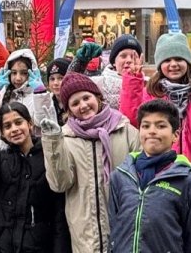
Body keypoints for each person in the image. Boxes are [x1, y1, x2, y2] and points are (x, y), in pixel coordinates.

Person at [39, 72, 139, 253]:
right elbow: (60, 184)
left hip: (125, 226)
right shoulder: (65, 137)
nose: (83, 106)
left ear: (98, 97)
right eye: (75, 103)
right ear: (68, 110)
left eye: (86, 98)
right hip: (85, 233)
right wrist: (53, 141)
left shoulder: (125, 131)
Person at [0, 99, 68, 253]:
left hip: (37, 245)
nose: (14, 129)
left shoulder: (47, 155)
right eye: (7, 126)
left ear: (29, 124)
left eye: (18, 122)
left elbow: (58, 211)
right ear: (2, 132)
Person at [108, 99, 191, 253]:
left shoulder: (189, 182)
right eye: (146, 126)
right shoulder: (120, 176)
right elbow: (114, 226)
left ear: (175, 135)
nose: (152, 131)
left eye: (161, 126)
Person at [120, 33, 191, 163]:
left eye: (179, 59)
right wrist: (132, 81)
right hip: (160, 169)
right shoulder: (151, 94)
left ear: (188, 62)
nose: (173, 64)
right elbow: (133, 121)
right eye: (167, 60)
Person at [0, 49, 54, 142]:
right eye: (14, 73)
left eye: (24, 73)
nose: (18, 78)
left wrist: (40, 94)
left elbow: (43, 123)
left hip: (31, 147)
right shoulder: (3, 93)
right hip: (4, 148)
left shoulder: (37, 95)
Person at [46, 57, 72, 123]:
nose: (55, 83)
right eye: (52, 79)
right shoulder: (46, 101)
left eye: (61, 78)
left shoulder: (77, 101)